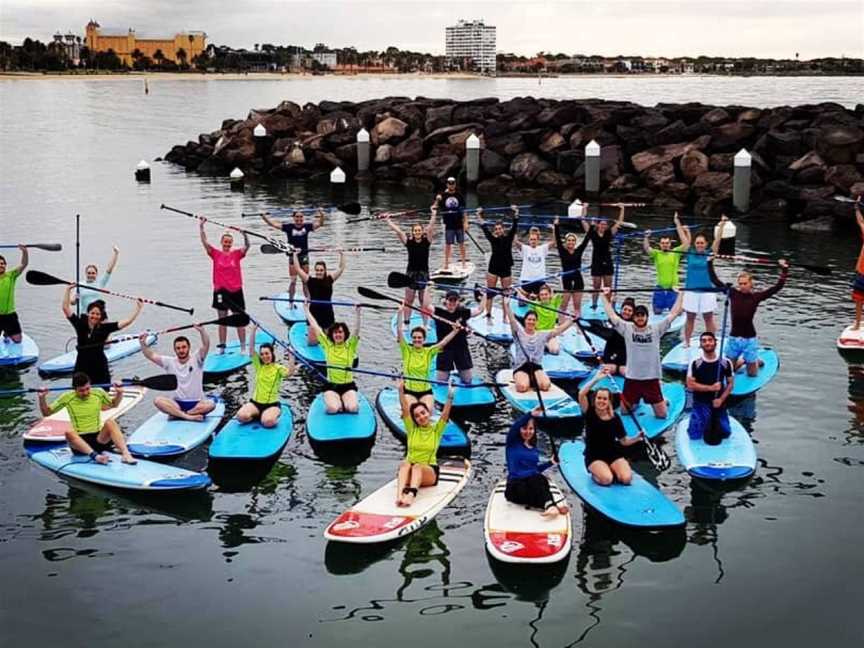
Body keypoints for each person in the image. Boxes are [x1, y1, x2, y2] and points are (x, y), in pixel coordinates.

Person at [601, 286, 683, 418]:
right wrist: (604, 296)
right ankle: (637, 401)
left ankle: (663, 400)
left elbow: (673, 313)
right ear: (634, 318)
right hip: (632, 378)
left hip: (651, 378)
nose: (640, 318)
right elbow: (611, 314)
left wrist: (681, 294)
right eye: (637, 316)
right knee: (624, 412)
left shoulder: (656, 329)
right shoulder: (627, 329)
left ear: (647, 317)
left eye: (642, 315)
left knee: (662, 415)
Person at [708, 257, 789, 376]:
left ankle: (753, 361)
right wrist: (709, 262)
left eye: (745, 283)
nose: (742, 286)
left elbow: (777, 288)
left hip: (749, 339)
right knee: (729, 370)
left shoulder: (756, 297)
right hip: (734, 338)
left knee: (752, 374)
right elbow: (715, 280)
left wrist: (784, 270)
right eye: (740, 284)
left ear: (751, 284)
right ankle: (743, 360)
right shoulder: (733, 293)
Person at [37, 372, 137, 465]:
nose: (85, 393)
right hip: (79, 443)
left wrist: (119, 393)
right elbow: (46, 413)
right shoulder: (67, 397)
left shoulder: (98, 392)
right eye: (81, 390)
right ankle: (96, 457)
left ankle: (126, 454)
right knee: (69, 432)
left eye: (87, 389)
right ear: (74, 389)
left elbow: (114, 404)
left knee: (110, 422)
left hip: (99, 439)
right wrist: (42, 398)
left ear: (90, 385)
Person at [578, 367, 644, 486]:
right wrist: (596, 379)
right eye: (599, 398)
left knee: (626, 479)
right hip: (594, 455)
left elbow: (624, 441)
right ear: (595, 399)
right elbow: (581, 394)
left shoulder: (615, 418)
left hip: (613, 453)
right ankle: (597, 473)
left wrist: (637, 438)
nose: (601, 401)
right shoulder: (590, 412)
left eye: (604, 399)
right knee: (607, 479)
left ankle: (613, 468)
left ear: (609, 401)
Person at [63, 287, 142, 385]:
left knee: (102, 390)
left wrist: (138, 309)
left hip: (99, 365)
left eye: (97, 314)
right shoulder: (80, 325)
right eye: (92, 313)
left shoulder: (105, 328)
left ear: (101, 316)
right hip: (81, 365)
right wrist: (68, 290)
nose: (94, 316)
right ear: (88, 313)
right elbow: (66, 308)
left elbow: (127, 322)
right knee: (78, 390)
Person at [395, 378, 455, 507]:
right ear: (414, 420)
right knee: (405, 464)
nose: (421, 417)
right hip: (410, 471)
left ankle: (411, 495)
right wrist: (401, 390)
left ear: (429, 413)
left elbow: (445, 414)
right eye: (417, 416)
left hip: (429, 472)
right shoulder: (412, 430)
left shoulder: (436, 431)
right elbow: (405, 409)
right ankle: (399, 495)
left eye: (423, 413)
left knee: (417, 466)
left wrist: (450, 396)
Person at [139, 325, 215, 422]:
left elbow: (206, 345)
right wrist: (142, 343)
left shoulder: (197, 359)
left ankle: (179, 414)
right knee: (157, 400)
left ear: (189, 348)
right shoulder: (169, 362)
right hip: (177, 404)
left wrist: (202, 331)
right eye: (178, 348)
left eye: (184, 347)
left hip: (196, 404)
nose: (181, 350)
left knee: (211, 405)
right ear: (175, 350)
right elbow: (150, 355)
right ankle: (188, 416)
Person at [505, 408, 569, 517]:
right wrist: (530, 414)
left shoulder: (533, 449)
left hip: (529, 486)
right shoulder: (512, 443)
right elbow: (514, 427)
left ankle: (550, 506)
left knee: (541, 479)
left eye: (531, 429)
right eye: (524, 428)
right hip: (514, 487)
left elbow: (534, 469)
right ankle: (551, 505)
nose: (528, 432)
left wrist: (550, 462)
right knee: (537, 479)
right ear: (520, 429)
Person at [199, 217, 250, 353]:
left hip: (236, 291)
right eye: (225, 242)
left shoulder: (236, 254)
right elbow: (205, 242)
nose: (227, 244)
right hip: (220, 292)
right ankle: (222, 347)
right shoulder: (215, 254)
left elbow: (247, 247)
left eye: (229, 242)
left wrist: (245, 235)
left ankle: (243, 347)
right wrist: (201, 227)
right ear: (222, 242)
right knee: (222, 319)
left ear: (231, 243)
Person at [503, 296, 573, 393]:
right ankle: (523, 379)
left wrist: (571, 321)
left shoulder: (542, 334)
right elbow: (512, 320)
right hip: (521, 367)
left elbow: (558, 330)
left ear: (536, 322)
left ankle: (533, 379)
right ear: (525, 321)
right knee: (522, 387)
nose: (531, 322)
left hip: (536, 366)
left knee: (545, 386)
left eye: (533, 320)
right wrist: (507, 305)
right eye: (529, 319)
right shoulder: (518, 332)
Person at [235, 324, 295, 428]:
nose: (264, 356)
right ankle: (257, 415)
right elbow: (251, 349)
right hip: (256, 403)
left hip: (271, 405)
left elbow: (290, 372)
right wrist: (253, 330)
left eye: (267, 353)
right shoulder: (259, 366)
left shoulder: (278, 368)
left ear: (272, 354)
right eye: (262, 354)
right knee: (240, 417)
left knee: (268, 422)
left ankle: (271, 415)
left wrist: (291, 355)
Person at [396, 315, 460, 412]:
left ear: (424, 339)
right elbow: (399, 331)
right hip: (409, 391)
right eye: (414, 337)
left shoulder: (429, 352)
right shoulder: (406, 350)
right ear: (411, 339)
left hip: (425, 391)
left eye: (419, 338)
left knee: (427, 412)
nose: (417, 340)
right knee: (412, 411)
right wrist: (400, 313)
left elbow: (444, 342)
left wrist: (455, 331)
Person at [261, 208, 326, 304]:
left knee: (305, 281)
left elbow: (320, 224)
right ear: (293, 218)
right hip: (293, 257)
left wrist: (322, 215)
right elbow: (273, 224)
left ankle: (309, 301)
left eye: (300, 217)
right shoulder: (288, 227)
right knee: (293, 281)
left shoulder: (307, 226)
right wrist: (264, 217)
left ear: (303, 218)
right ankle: (291, 303)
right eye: (297, 217)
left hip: (304, 256)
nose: (299, 219)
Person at [385, 208, 436, 326]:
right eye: (415, 231)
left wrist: (433, 214)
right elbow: (399, 232)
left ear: (422, 232)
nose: (417, 232)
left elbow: (431, 227)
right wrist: (388, 221)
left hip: (424, 274)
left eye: (419, 230)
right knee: (409, 300)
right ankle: (406, 323)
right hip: (411, 274)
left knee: (424, 302)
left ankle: (425, 324)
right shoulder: (409, 242)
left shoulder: (427, 241)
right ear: (412, 232)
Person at [306, 303, 361, 414]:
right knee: (333, 409)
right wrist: (306, 310)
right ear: (332, 335)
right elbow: (315, 326)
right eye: (335, 332)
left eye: (340, 332)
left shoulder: (350, 346)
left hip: (348, 385)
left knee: (353, 409)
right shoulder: (327, 345)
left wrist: (358, 313)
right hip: (331, 385)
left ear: (345, 334)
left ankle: (344, 401)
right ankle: (337, 402)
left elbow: (356, 330)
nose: (338, 335)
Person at [679, 215, 724, 346]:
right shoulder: (690, 253)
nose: (699, 245)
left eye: (702, 243)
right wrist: (678, 223)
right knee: (690, 318)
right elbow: (683, 238)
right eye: (697, 243)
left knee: (708, 318)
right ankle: (687, 342)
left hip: (707, 291)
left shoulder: (710, 254)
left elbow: (718, 241)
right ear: (694, 244)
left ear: (706, 244)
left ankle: (711, 341)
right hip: (691, 291)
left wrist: (721, 225)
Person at [685, 332, 734, 444]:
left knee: (726, 433)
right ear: (701, 344)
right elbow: (690, 385)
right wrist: (710, 388)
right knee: (694, 435)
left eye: (710, 340)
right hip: (700, 403)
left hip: (718, 404)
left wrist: (721, 400)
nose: (707, 343)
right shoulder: (695, 363)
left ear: (715, 343)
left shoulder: (725, 362)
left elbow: (730, 384)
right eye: (704, 341)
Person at [433, 290, 487, 385]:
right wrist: (425, 288)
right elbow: (425, 306)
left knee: (467, 380)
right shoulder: (439, 312)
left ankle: (458, 373)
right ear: (446, 301)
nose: (452, 303)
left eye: (455, 300)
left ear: (458, 301)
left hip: (461, 348)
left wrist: (485, 296)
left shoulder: (463, 313)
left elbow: (479, 310)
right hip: (445, 350)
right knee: (441, 382)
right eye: (450, 300)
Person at [293, 249, 345, 346]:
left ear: (325, 271)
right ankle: (309, 335)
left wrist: (341, 254)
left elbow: (341, 268)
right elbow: (298, 269)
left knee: (329, 343)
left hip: (327, 315)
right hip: (314, 315)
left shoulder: (330, 279)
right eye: (317, 270)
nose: (319, 272)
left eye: (321, 270)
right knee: (312, 343)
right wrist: (295, 255)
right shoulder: (310, 280)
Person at [582, 204, 625, 310]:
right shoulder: (592, 233)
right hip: (596, 262)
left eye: (605, 225)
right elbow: (583, 220)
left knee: (607, 287)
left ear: (606, 226)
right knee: (596, 286)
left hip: (607, 262)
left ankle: (608, 305)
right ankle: (594, 304)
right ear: (598, 225)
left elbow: (619, 223)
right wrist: (585, 208)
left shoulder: (609, 233)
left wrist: (622, 209)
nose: (603, 226)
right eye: (601, 224)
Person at [578, 297, 636, 376]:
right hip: (611, 355)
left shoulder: (634, 325)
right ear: (621, 310)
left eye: (630, 311)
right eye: (625, 309)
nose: (627, 312)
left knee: (626, 373)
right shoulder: (614, 320)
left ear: (633, 313)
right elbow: (601, 324)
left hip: (624, 359)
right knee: (607, 370)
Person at [479, 206, 519, 318]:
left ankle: (505, 317)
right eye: (496, 229)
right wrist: (479, 215)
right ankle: (488, 314)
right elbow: (484, 228)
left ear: (503, 229)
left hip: (506, 268)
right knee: (490, 293)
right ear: (495, 231)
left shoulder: (508, 238)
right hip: (493, 268)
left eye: (500, 228)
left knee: (505, 294)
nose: (498, 230)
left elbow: (515, 226)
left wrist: (516, 212)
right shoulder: (493, 239)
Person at [643, 214, 687, 314]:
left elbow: (685, 243)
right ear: (660, 244)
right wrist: (646, 237)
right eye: (663, 243)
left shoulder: (676, 252)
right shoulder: (656, 253)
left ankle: (682, 305)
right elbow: (646, 248)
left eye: (667, 243)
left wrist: (677, 224)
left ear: (670, 244)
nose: (665, 245)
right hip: (660, 287)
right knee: (657, 312)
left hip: (673, 287)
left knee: (677, 312)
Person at [554, 215, 590, 319]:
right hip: (567, 279)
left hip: (578, 279)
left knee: (577, 307)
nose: (571, 242)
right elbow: (557, 239)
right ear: (566, 242)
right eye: (569, 240)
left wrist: (591, 226)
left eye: (573, 240)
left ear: (575, 242)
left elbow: (587, 239)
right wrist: (556, 225)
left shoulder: (579, 250)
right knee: (563, 306)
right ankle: (561, 324)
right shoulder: (562, 251)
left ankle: (578, 327)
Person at [73, 246, 119, 313]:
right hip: (84, 316)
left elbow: (109, 270)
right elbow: (72, 302)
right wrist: (75, 299)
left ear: (96, 274)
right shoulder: (80, 285)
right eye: (89, 273)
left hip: (97, 315)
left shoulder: (100, 283)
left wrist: (116, 254)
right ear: (86, 273)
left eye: (93, 273)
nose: (91, 275)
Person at [434, 177, 466, 271]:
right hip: (449, 224)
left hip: (459, 222)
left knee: (461, 243)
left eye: (453, 183)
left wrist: (466, 222)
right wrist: (437, 200)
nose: (451, 185)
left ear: (455, 184)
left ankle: (464, 262)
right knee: (448, 244)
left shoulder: (459, 195)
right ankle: (446, 263)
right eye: (449, 183)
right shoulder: (443, 195)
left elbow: (464, 210)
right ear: (447, 184)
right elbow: (435, 207)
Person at [525, 284, 564, 354]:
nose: (544, 296)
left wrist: (553, 292)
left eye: (546, 294)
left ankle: (545, 344)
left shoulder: (554, 302)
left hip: (550, 334)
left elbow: (565, 293)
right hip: (538, 333)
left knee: (555, 351)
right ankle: (543, 344)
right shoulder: (535, 304)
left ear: (550, 295)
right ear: (539, 296)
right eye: (542, 295)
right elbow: (524, 298)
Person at [0, 245, 28, 343]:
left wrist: (24, 251)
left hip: (9, 315)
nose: (1, 265)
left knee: (18, 341)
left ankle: (7, 333)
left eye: (2, 263)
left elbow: (24, 264)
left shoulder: (11, 275)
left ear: (5, 265)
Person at [516, 226, 552, 298]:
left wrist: (554, 229)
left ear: (538, 240)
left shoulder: (542, 248)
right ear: (529, 240)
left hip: (540, 280)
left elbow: (554, 242)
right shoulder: (525, 248)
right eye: (531, 239)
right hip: (526, 279)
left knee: (542, 297)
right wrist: (515, 226)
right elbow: (515, 242)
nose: (533, 241)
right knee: (523, 301)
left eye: (535, 239)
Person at [852, 198, 864, 329]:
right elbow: (860, 221)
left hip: (862, 272)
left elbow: (861, 221)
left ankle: (857, 323)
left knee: (859, 299)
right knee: (858, 298)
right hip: (862, 271)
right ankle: (857, 322)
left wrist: (857, 208)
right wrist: (857, 208)